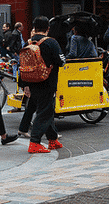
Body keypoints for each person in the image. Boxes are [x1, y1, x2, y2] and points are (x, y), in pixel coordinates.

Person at [22, 16, 66, 153]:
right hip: (48, 82)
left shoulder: (29, 42)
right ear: (48, 28)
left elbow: (22, 64)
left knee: (46, 109)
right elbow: (61, 61)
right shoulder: (51, 42)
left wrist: (25, 84)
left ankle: (53, 140)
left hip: (32, 81)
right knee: (45, 111)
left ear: (34, 28)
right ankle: (35, 142)